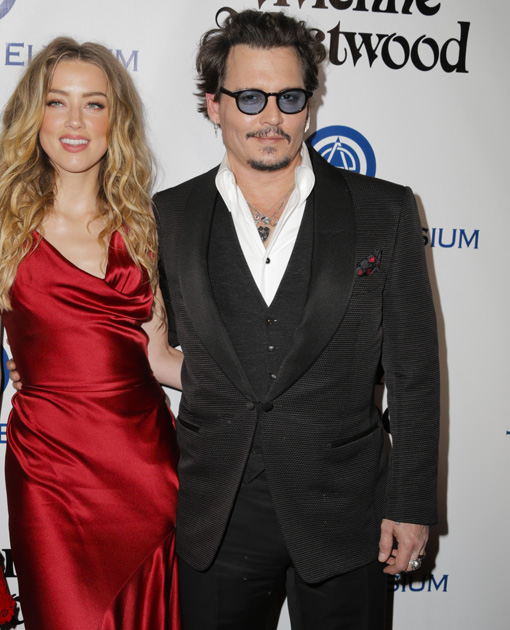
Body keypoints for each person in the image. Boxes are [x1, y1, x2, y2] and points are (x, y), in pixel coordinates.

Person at [153, 10, 439, 630]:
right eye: (249, 97)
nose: (271, 116)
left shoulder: (384, 209)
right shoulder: (167, 216)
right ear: (214, 105)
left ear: (308, 106)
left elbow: (414, 372)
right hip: (217, 513)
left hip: (347, 513)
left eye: (288, 97)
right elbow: (144, 338)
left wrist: (412, 502)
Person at [0, 37, 182, 630]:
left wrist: (266, 378)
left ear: (115, 120)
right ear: (35, 116)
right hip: (48, 474)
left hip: (147, 471)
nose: (75, 121)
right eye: (57, 102)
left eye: (93, 104)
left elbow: (159, 359)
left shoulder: (144, 228)